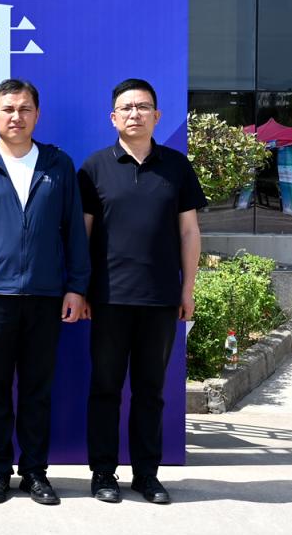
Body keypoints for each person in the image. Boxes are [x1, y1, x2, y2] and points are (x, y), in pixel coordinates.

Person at [0, 78, 90, 506]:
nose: (16, 117)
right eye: (8, 109)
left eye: (25, 109)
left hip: (46, 297)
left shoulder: (58, 165)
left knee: (37, 390)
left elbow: (74, 232)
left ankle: (35, 471)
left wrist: (76, 287)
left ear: (37, 114)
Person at [79, 79, 205, 505]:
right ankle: (102, 473)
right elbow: (83, 236)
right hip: (108, 299)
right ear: (113, 117)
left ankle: (147, 474)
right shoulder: (94, 168)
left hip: (160, 298)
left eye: (143, 107)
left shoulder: (176, 167)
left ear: (157, 116)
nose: (135, 114)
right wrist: (81, 289)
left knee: (150, 392)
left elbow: (189, 232)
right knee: (105, 389)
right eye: (127, 108)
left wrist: (188, 288)